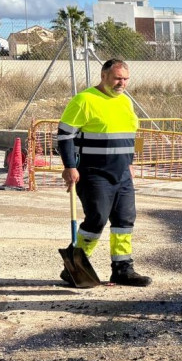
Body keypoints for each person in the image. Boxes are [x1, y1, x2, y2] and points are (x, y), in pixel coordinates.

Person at [56, 58, 151, 287]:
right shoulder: (84, 100)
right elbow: (64, 136)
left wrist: (130, 162)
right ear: (104, 76)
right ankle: (74, 267)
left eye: (126, 79)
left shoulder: (125, 102)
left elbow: (129, 135)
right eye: (118, 78)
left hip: (122, 173)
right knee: (97, 217)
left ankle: (122, 269)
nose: (122, 83)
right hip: (93, 172)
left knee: (124, 220)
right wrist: (69, 166)